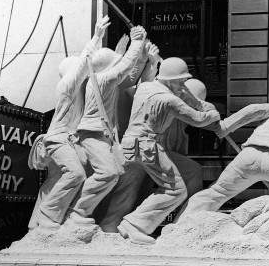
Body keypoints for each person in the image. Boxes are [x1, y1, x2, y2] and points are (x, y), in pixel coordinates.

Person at [100, 57, 220, 244]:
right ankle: (133, 226)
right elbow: (198, 119)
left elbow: (183, 95)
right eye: (181, 81)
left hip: (136, 145)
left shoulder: (146, 87)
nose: (183, 85)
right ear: (170, 80)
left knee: (191, 170)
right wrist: (214, 114)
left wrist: (183, 91)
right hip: (147, 146)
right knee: (175, 189)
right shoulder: (169, 100)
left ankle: (187, 221)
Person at [29, 15, 111, 231]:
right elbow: (84, 65)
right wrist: (96, 38)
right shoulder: (67, 86)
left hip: (67, 140)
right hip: (59, 139)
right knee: (75, 174)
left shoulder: (79, 90)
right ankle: (47, 217)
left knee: (58, 180)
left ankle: (38, 221)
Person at [65, 25, 148, 236]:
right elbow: (126, 66)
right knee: (109, 173)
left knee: (121, 171)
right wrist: (136, 40)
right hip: (93, 135)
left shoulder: (100, 80)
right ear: (108, 67)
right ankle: (77, 213)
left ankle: (90, 215)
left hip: (103, 136)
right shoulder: (102, 80)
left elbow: (127, 72)